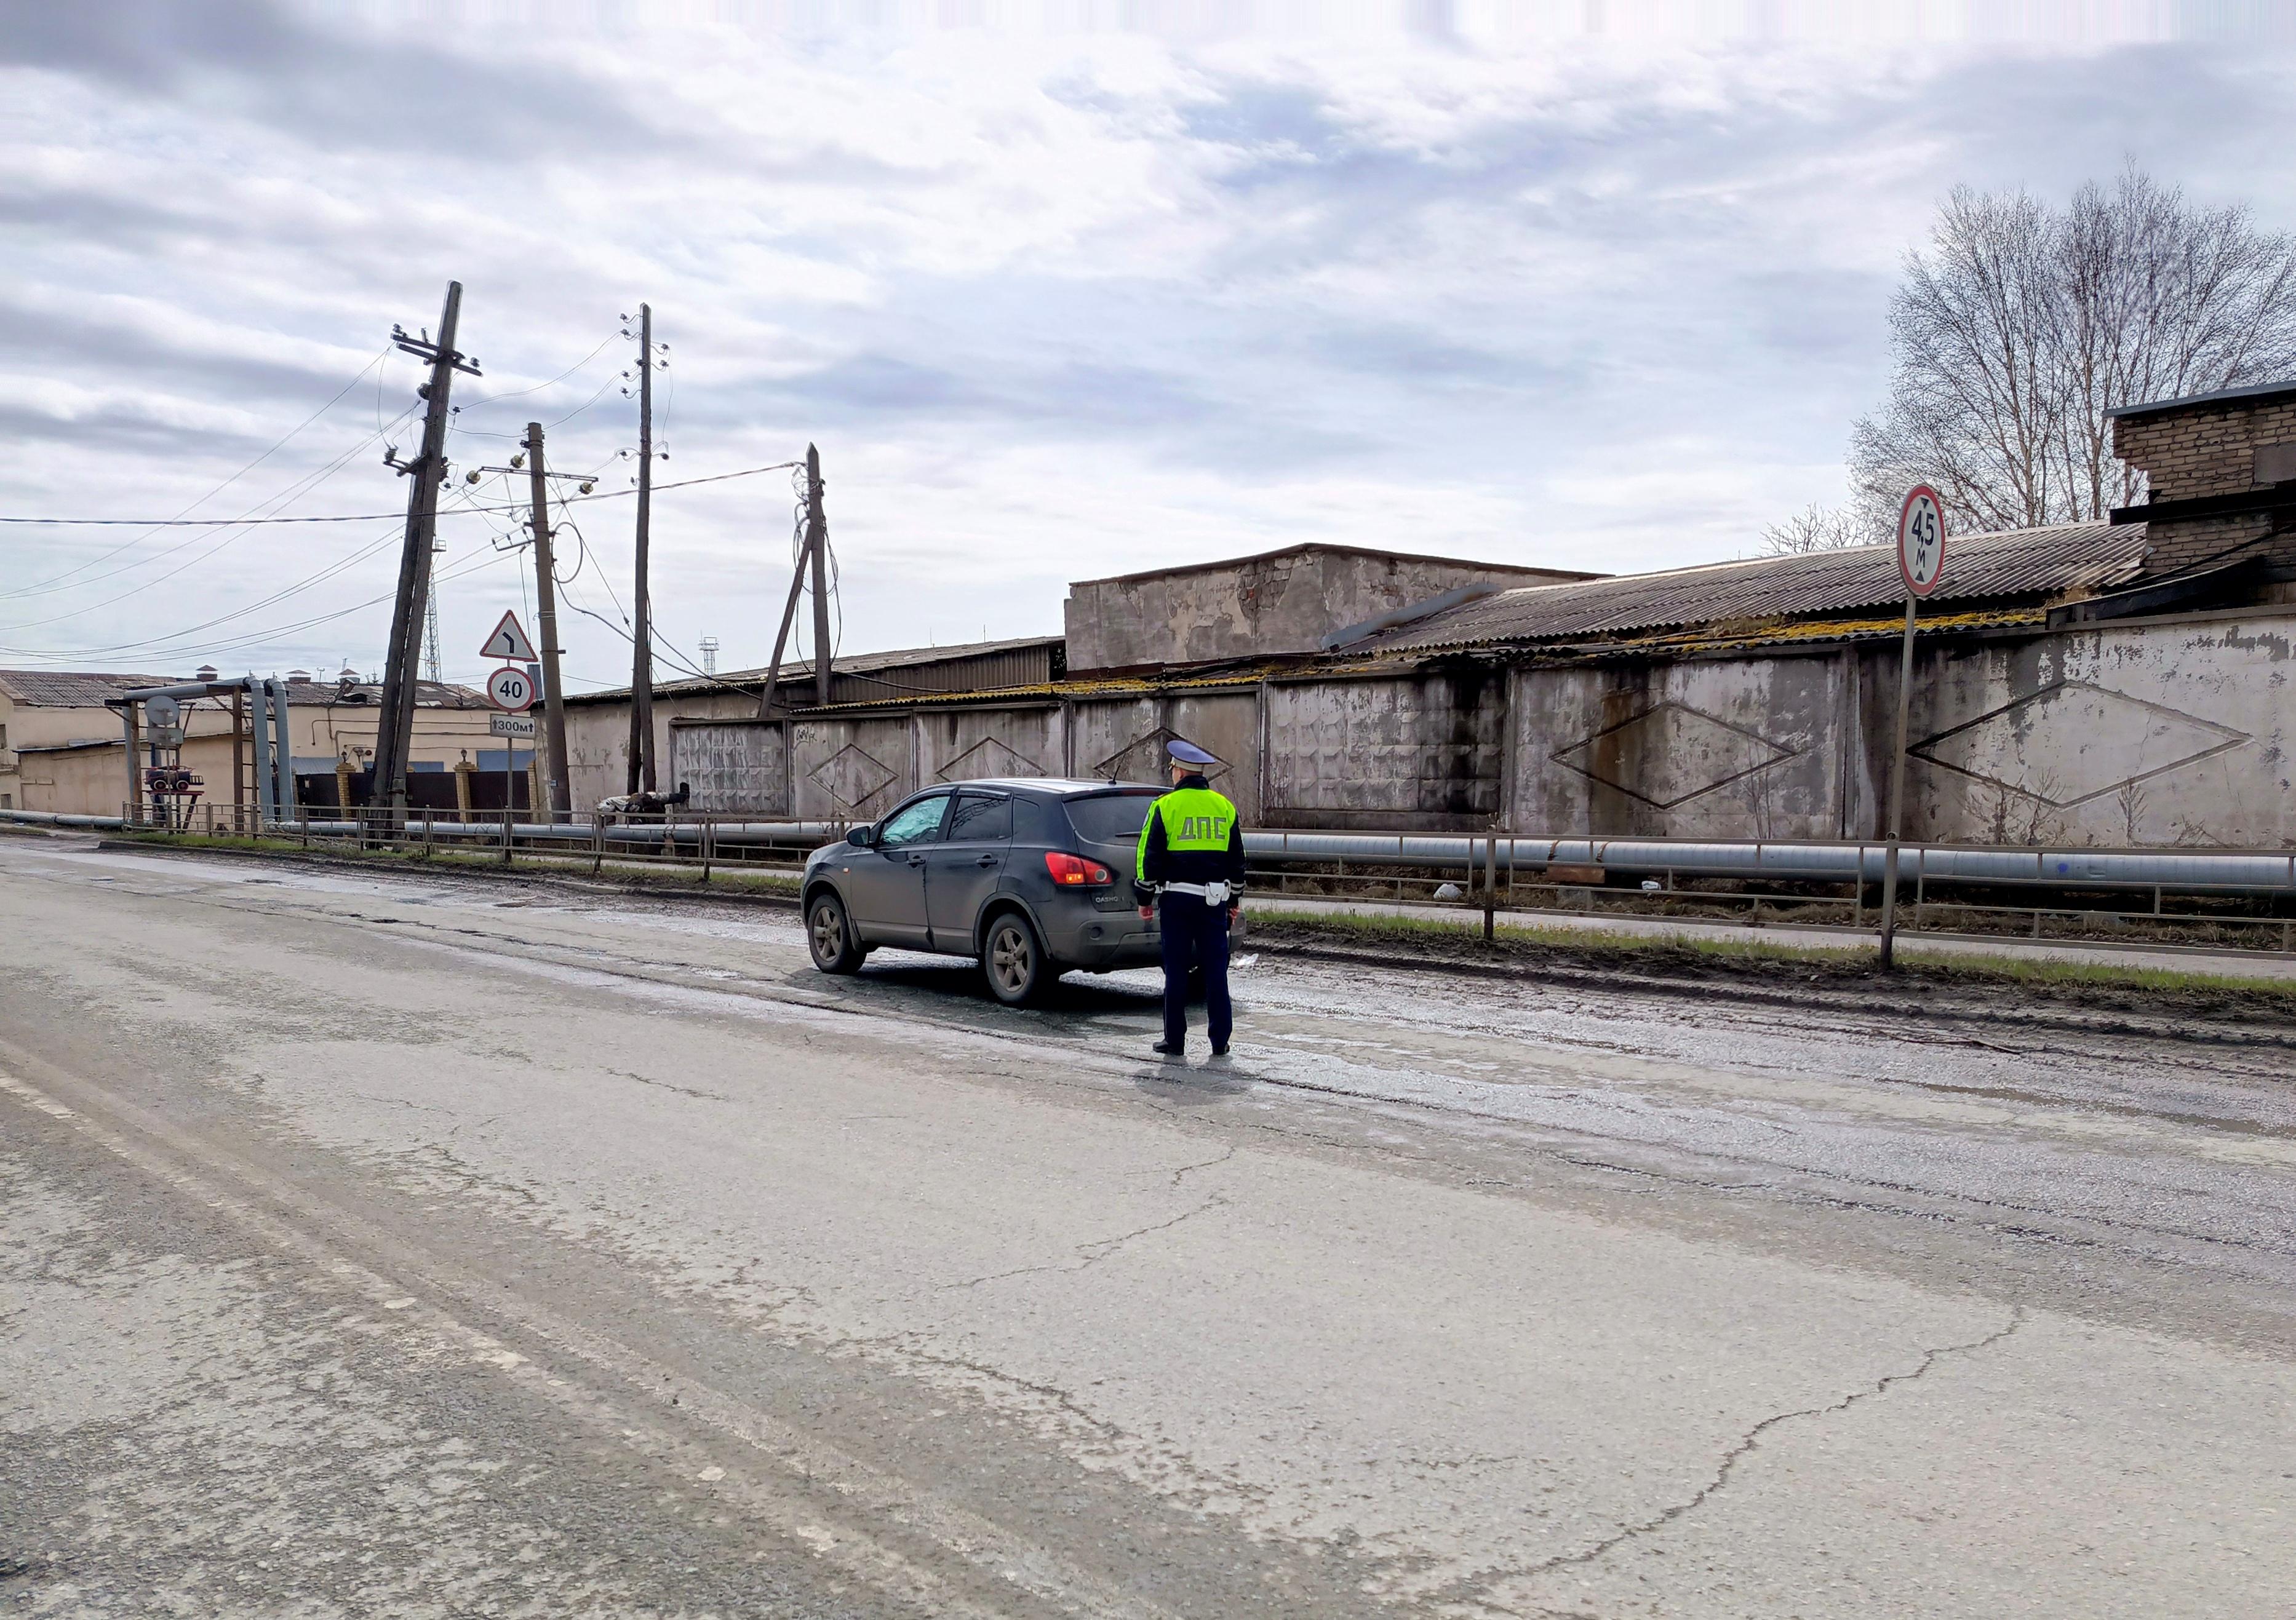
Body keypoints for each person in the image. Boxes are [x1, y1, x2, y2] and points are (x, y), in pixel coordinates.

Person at [1134, 739, 1245, 1058]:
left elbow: (1148, 857)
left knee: (1177, 971)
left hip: (1177, 903)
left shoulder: (1164, 807)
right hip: (1214, 902)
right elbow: (1237, 859)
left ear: (1179, 771)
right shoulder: (1224, 807)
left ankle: (1175, 1041)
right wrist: (1234, 899)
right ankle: (1220, 1041)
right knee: (1215, 973)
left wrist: (1145, 897)